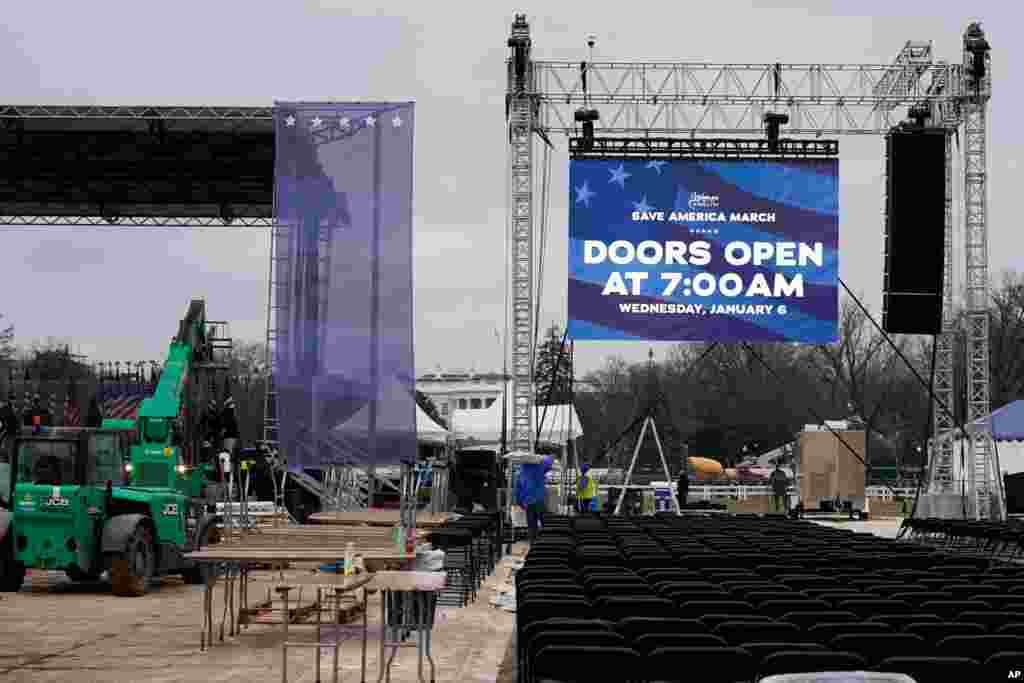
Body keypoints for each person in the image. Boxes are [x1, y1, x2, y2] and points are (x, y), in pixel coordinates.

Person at [515, 456, 552, 543]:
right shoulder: (539, 468)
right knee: (546, 525)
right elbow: (549, 463)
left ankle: (533, 546)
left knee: (532, 528)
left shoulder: (521, 473)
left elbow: (517, 491)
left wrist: (521, 503)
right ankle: (548, 542)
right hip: (539, 502)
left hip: (528, 504)